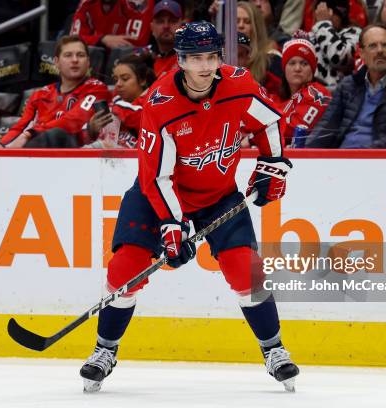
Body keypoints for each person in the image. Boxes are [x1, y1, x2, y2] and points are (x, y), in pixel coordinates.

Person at [79, 21, 298, 393]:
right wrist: (172, 226)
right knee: (125, 267)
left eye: (212, 56)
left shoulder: (240, 84)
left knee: (247, 271)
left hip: (217, 196)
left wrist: (272, 164)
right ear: (180, 60)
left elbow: (270, 122)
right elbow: (157, 178)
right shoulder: (160, 105)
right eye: (196, 58)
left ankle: (274, 350)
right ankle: (105, 349)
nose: (206, 66)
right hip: (158, 198)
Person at [307, 24, 386, 148]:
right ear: (362, 53)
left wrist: (360, 156)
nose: (380, 50)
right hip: (340, 159)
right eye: (373, 46)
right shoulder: (348, 85)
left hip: (377, 161)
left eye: (385, 45)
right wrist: (304, 152)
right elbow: (326, 127)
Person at [0, 36, 110, 148]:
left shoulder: (97, 89)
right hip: (40, 149)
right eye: (68, 55)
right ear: (56, 62)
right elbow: (20, 126)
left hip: (77, 154)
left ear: (88, 62)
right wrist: (2, 146)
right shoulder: (41, 94)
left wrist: (31, 133)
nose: (75, 60)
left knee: (56, 135)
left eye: (80, 55)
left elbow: (73, 120)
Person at [86, 53, 156, 148]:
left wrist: (114, 110)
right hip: (112, 157)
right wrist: (93, 129)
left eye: (125, 79)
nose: (118, 84)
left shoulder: (153, 100)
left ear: (143, 80)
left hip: (139, 158)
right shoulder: (116, 102)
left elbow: (141, 118)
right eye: (115, 80)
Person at [277, 38, 332, 147]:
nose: (297, 68)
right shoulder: (280, 101)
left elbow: (295, 129)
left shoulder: (318, 93)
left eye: (304, 63)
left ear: (312, 69)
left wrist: (253, 137)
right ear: (284, 68)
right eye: (292, 63)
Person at [309, 0, 362, 90]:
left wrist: (323, 24)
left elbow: (339, 58)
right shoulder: (310, 36)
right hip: (311, 95)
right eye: (319, 13)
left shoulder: (355, 33)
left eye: (325, 13)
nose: (320, 17)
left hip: (341, 95)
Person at [237, 1, 283, 96]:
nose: (241, 25)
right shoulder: (220, 59)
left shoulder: (272, 60)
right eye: (236, 21)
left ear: (256, 27)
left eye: (247, 22)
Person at [70, 0, 154, 49]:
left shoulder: (137, 2)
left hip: (129, 61)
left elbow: (135, 45)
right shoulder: (87, 3)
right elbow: (73, 40)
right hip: (100, 57)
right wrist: (102, 39)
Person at [150, 0, 182, 77]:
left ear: (182, 26)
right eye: (160, 21)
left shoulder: (192, 57)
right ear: (151, 27)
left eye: (172, 21)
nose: (166, 26)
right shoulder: (143, 59)